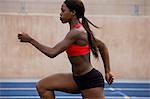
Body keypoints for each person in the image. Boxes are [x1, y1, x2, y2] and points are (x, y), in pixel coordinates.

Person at [18, 0, 114, 98]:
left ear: (73, 13)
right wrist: (108, 71)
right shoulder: (77, 31)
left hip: (89, 80)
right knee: (42, 86)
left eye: (63, 11)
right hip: (76, 78)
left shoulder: (77, 32)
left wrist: (30, 40)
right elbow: (102, 46)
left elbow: (52, 52)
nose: (60, 13)